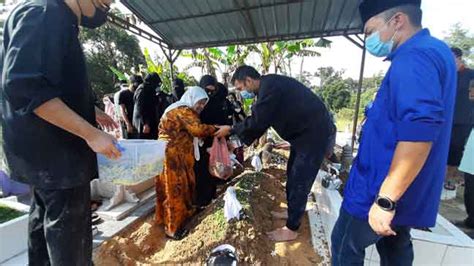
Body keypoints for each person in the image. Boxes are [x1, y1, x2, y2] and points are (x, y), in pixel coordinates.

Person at [330, 1, 457, 265]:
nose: (368, 39)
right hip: (403, 187)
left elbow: (419, 131)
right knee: (395, 247)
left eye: (370, 30)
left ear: (397, 20)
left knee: (344, 245)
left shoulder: (415, 57)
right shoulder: (435, 51)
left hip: (377, 186)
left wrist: (386, 199)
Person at [0, 0, 121, 265]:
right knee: (69, 245)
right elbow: (25, 87)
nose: (109, 5)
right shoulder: (46, 13)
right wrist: (91, 133)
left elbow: (52, 83)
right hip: (57, 156)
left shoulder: (53, 15)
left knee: (45, 231)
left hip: (45, 159)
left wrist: (90, 110)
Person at [215, 66, 332, 242]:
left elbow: (258, 121)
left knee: (300, 179)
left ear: (248, 80)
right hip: (303, 137)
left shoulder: (270, 88)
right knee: (292, 174)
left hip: (313, 136)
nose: (242, 93)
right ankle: (292, 212)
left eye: (241, 88)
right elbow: (259, 118)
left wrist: (231, 129)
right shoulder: (269, 87)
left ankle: (292, 228)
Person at [155, 86, 217, 240]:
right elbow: (197, 130)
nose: (201, 107)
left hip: (178, 156)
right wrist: (217, 129)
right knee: (174, 190)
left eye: (204, 104)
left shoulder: (182, 109)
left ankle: (184, 216)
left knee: (184, 186)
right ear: (192, 98)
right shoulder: (183, 110)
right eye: (199, 103)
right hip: (171, 157)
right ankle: (172, 228)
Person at [194, 75, 233, 207]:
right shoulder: (195, 103)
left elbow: (223, 123)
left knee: (212, 169)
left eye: (212, 91)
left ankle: (210, 197)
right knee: (200, 171)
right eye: (207, 90)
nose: (209, 94)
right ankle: (201, 201)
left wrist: (226, 139)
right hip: (197, 143)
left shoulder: (216, 102)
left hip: (213, 141)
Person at [445, 48, 474, 190]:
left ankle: (451, 178)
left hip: (464, 120)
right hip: (446, 119)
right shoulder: (447, 75)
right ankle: (440, 178)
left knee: (456, 148)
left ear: (459, 58)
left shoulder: (471, 75)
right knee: (443, 147)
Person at [133, 73, 161, 140]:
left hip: (150, 120)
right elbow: (140, 107)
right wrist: (145, 123)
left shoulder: (150, 89)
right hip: (143, 122)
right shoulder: (142, 90)